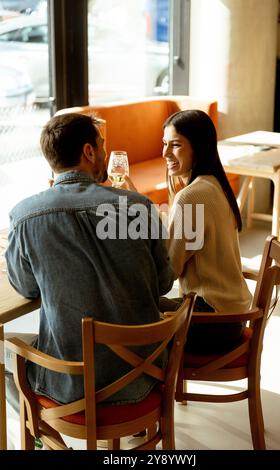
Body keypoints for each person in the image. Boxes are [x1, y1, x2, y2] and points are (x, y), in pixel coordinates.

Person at [4, 112, 174, 408]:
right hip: (145, 376)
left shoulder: (25, 216)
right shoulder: (139, 207)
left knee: (10, 352)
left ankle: (48, 436)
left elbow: (26, 287)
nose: (105, 153)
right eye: (102, 145)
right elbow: (163, 283)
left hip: (71, 386)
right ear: (89, 151)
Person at [159, 109, 252, 354]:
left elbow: (167, 275)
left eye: (175, 145)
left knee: (127, 315)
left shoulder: (190, 196)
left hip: (211, 320)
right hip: (232, 316)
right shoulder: (215, 184)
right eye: (164, 144)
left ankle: (150, 391)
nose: (165, 153)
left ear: (198, 147)